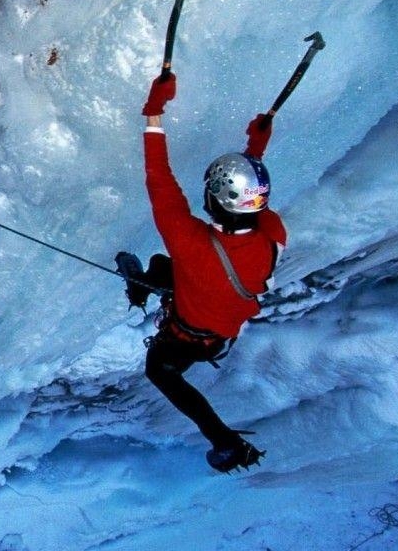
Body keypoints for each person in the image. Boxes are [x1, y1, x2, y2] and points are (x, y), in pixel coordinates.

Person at [117, 71, 287, 473]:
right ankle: (143, 284)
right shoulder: (271, 238)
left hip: (186, 331)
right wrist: (254, 155)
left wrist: (154, 111)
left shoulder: (188, 240)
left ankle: (224, 439)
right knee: (164, 268)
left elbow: (160, 176)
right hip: (213, 334)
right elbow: (248, 205)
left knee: (158, 368)